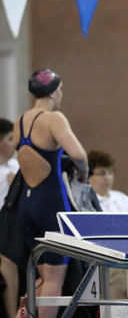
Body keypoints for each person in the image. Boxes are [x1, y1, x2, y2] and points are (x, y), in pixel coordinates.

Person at [13, 69, 88, 318]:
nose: (62, 93)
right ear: (54, 91)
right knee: (54, 278)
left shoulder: (20, 121)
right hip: (51, 206)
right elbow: (78, 154)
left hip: (26, 205)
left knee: (38, 275)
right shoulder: (54, 118)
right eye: (61, 88)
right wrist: (82, 174)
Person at [87, 149, 128, 299]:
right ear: (88, 176)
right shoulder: (86, 201)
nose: (108, 177)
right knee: (123, 272)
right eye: (102, 173)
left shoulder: (123, 199)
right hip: (109, 255)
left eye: (111, 172)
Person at [0, 118, 20, 318]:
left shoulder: (16, 166)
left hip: (15, 224)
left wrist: (20, 184)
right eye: (10, 138)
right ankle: (11, 312)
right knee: (8, 258)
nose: (15, 143)